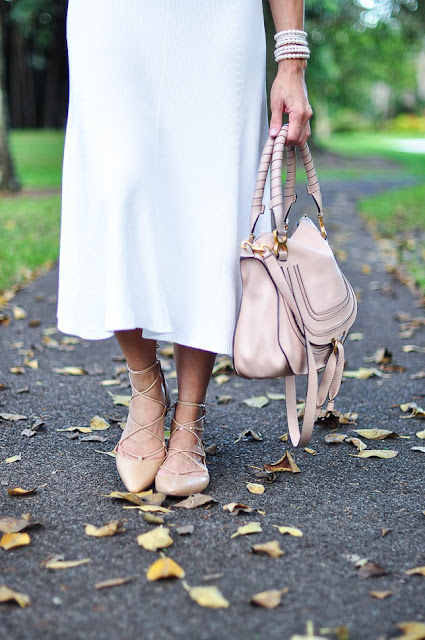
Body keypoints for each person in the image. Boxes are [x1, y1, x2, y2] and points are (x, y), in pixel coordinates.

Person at [57, 0, 313, 497]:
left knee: (209, 203)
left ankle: (189, 416)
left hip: (217, 17)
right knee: (117, 187)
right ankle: (146, 389)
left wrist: (291, 58)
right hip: (113, 17)